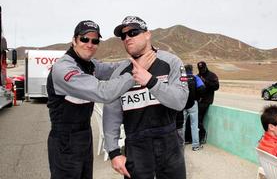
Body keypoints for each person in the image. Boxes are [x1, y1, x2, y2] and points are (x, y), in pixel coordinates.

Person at [46, 20, 155, 179]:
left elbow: (112, 69)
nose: (90, 44)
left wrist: (138, 58)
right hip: (64, 139)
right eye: (85, 39)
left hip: (84, 135)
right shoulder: (64, 68)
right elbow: (103, 92)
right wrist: (137, 72)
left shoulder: (89, 65)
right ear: (74, 40)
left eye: (95, 41)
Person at [103, 16, 189, 179]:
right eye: (123, 36)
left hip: (169, 143)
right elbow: (111, 114)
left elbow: (180, 101)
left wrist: (150, 81)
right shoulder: (119, 72)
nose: (127, 38)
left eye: (133, 32)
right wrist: (114, 152)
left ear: (147, 34)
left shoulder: (171, 62)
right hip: (136, 146)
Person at [182, 64, 204, 151]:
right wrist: (198, 96)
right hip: (193, 104)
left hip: (182, 104)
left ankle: (181, 144)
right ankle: (195, 146)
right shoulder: (195, 78)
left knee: (182, 125)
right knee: (194, 125)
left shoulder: (181, 78)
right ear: (192, 70)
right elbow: (202, 88)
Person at [196, 61, 219, 145]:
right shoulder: (197, 76)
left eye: (203, 68)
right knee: (196, 119)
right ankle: (196, 137)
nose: (201, 70)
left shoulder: (212, 75)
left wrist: (205, 81)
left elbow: (216, 87)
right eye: (200, 69)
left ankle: (202, 136)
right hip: (198, 100)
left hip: (206, 101)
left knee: (199, 119)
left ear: (206, 67)